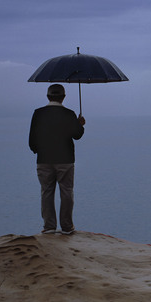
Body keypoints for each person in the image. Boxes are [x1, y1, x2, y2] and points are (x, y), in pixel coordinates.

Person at [29, 83, 85, 235]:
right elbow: (77, 135)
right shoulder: (69, 114)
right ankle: (67, 226)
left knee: (46, 192)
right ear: (63, 97)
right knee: (66, 192)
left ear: (48, 96)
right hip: (65, 159)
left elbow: (32, 139)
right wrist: (80, 124)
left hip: (44, 159)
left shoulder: (38, 113)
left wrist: (38, 151)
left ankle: (49, 226)